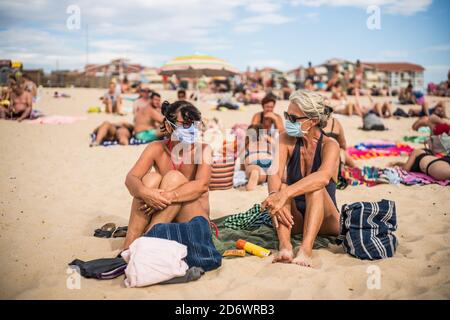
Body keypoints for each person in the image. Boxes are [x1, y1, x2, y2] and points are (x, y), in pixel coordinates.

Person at [262, 90, 340, 267]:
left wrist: (284, 195)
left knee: (315, 186)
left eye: (293, 118)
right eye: (286, 115)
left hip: (327, 222)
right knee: (280, 186)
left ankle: (305, 250)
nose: (288, 121)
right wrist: (276, 194)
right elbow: (274, 173)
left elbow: (323, 177)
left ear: (312, 121)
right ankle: (285, 246)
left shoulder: (330, 145)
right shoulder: (285, 139)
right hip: (295, 219)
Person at [122, 100, 212, 250]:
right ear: (170, 126)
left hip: (194, 220)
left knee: (173, 177)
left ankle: (148, 237)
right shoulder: (156, 148)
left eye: (194, 124)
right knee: (150, 179)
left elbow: (201, 186)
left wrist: (166, 197)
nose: (191, 129)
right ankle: (129, 243)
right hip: (166, 216)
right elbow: (130, 179)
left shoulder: (203, 150)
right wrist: (146, 193)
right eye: (185, 124)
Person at [243, 124, 274, 191]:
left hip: (255, 165)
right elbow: (277, 145)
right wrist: (268, 138)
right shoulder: (267, 145)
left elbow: (243, 164)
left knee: (254, 170)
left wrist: (246, 169)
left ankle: (254, 175)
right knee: (276, 173)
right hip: (270, 163)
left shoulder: (247, 145)